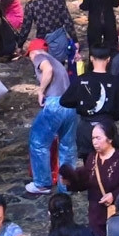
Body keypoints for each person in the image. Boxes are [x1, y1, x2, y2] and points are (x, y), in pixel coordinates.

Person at [23, 39, 76, 196]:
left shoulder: (39, 57)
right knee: (67, 146)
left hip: (55, 105)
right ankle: (67, 185)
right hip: (70, 105)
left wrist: (41, 91)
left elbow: (48, 70)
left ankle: (42, 183)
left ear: (33, 52)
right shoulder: (58, 62)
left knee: (38, 142)